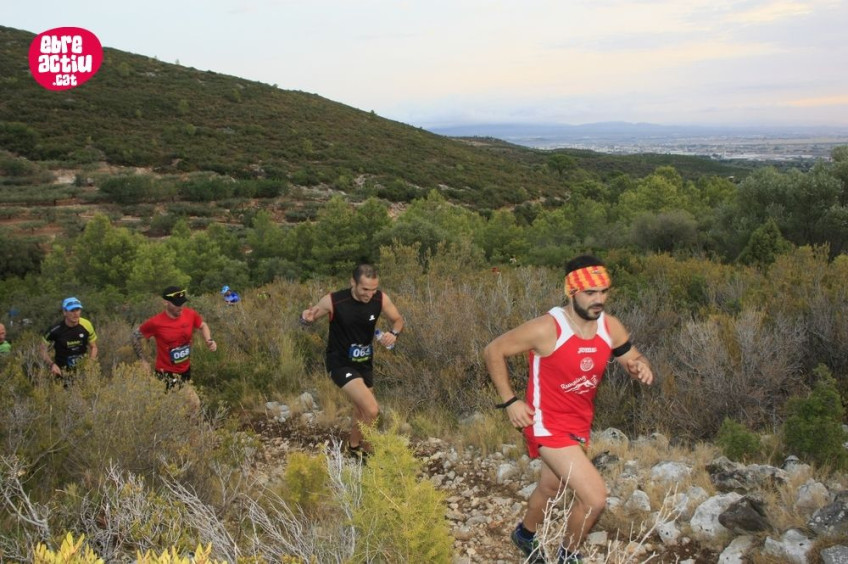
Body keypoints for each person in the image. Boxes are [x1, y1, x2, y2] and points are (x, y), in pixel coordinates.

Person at [484, 255, 653, 563]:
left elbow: (632, 358)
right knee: (594, 498)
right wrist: (510, 401)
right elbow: (493, 350)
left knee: (551, 485)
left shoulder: (610, 327)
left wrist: (639, 368)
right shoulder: (548, 328)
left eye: (604, 291)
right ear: (572, 291)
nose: (599, 299)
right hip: (544, 423)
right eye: (591, 293)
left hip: (578, 421)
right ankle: (568, 555)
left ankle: (524, 534)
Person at [300, 264, 404, 457]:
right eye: (365, 289)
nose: (369, 294)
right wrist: (306, 319)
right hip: (340, 363)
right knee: (372, 410)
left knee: (361, 410)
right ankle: (369, 452)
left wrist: (393, 333)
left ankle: (353, 447)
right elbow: (309, 316)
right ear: (353, 283)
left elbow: (397, 320)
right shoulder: (334, 301)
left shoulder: (380, 299)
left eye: (373, 289)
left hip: (364, 362)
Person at [132, 286, 217, 404]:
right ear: (165, 302)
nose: (180, 307)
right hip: (166, 373)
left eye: (182, 303)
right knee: (194, 403)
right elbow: (135, 336)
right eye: (176, 304)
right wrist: (143, 360)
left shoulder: (190, 314)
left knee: (177, 407)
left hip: (185, 370)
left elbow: (203, 325)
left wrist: (209, 340)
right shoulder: (156, 322)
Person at [40, 297, 98, 382]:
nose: (76, 314)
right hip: (61, 373)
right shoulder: (55, 329)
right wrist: (52, 365)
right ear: (64, 312)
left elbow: (94, 347)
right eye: (72, 311)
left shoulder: (87, 325)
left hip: (82, 372)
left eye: (77, 310)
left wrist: (90, 363)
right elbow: (42, 349)